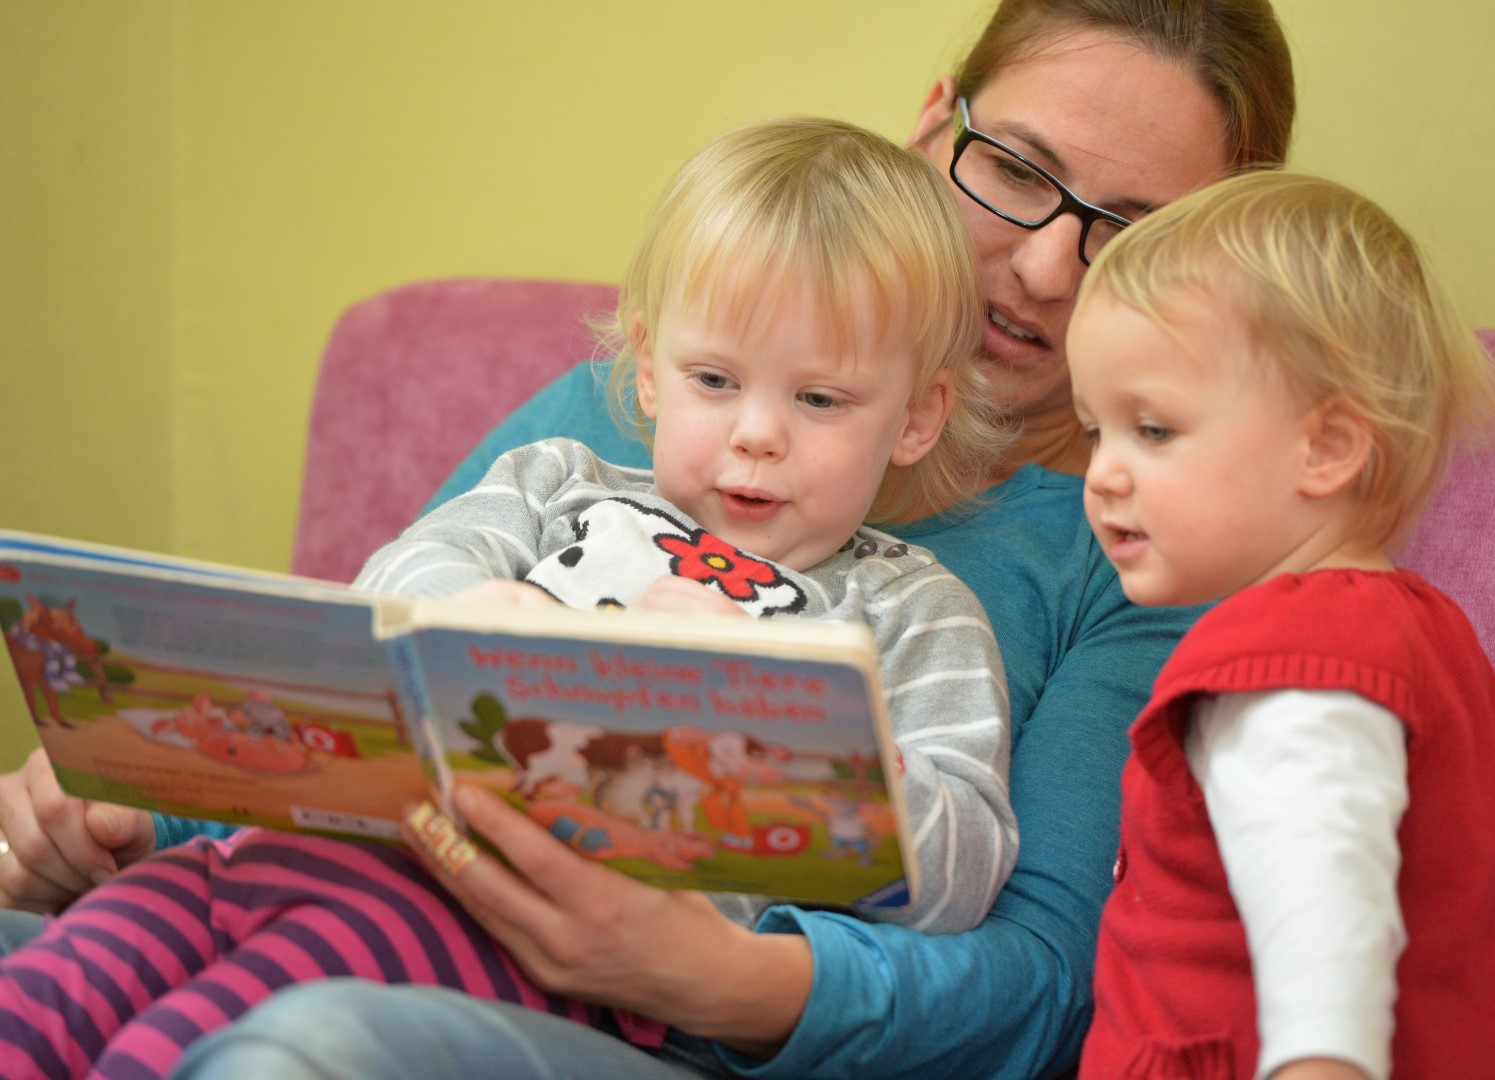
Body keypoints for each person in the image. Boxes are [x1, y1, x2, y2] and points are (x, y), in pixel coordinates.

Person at [0, 3, 1299, 1077]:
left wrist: (724, 976)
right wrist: (130, 810)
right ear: (928, 128)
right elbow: (373, 689)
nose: (1046, 271)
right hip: (366, 873)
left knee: (309, 1040)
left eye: (1128, 228)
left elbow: (1033, 985)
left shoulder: (1128, 558)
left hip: (659, 1027)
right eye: (1015, 172)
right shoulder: (610, 438)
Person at [1067, 171, 1495, 1080]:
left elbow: (1322, 924)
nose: (1101, 472)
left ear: (1326, 448)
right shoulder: (1433, 642)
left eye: (1152, 429)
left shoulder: (1281, 659)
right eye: (1092, 430)